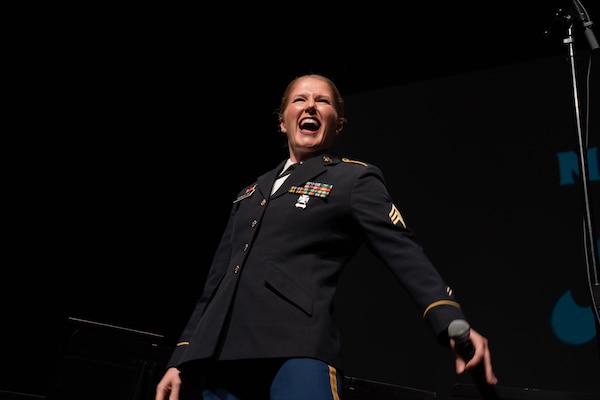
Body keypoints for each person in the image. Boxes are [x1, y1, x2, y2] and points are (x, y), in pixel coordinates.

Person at [155, 73, 498, 400]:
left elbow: (404, 251)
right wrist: (181, 358)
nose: (310, 107)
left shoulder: (352, 179)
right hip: (218, 360)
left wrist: (450, 320)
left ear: (338, 125)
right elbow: (215, 286)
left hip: (295, 350)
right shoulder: (249, 192)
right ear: (282, 120)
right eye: (300, 100)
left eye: (323, 102)